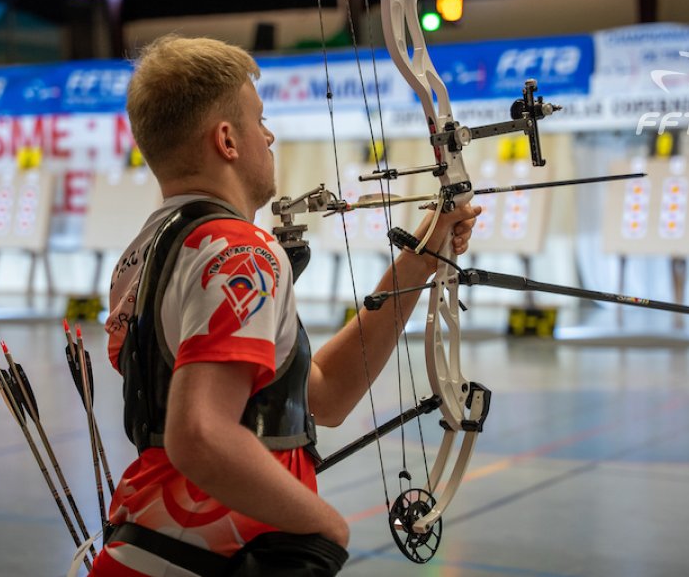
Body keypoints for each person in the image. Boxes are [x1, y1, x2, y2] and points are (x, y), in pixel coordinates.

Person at [92, 35, 481, 576]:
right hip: (208, 556)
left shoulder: (148, 251)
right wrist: (324, 527)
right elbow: (199, 432)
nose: (269, 135)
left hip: (151, 546)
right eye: (259, 119)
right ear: (226, 140)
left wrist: (418, 260)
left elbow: (322, 395)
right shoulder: (239, 251)